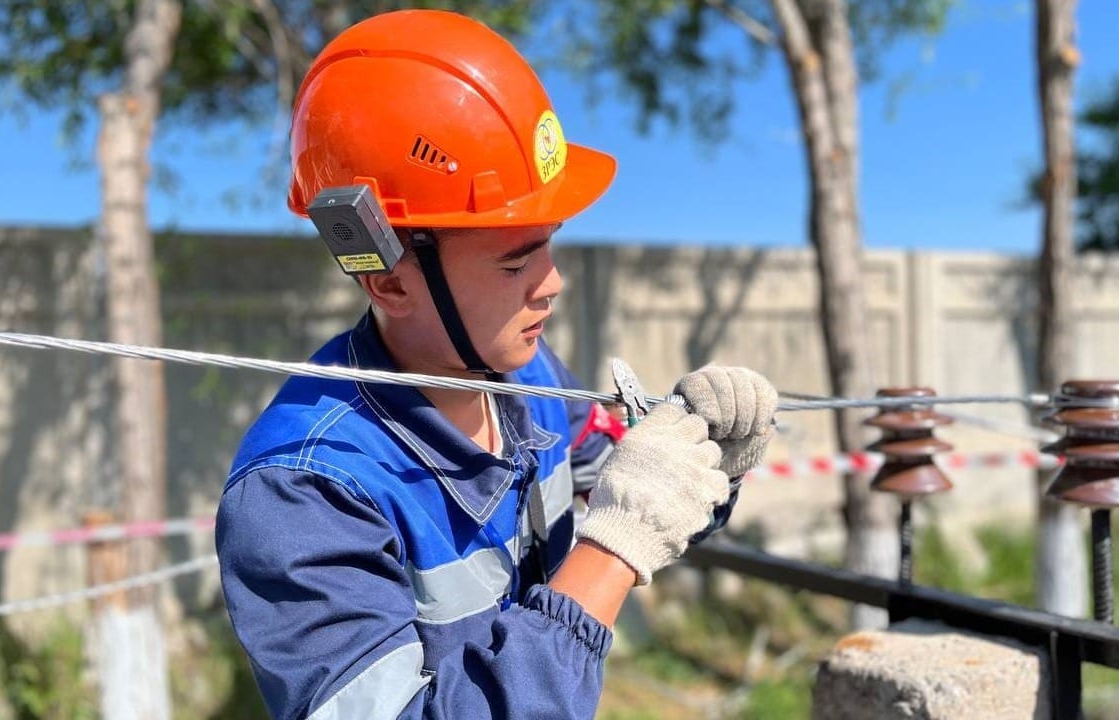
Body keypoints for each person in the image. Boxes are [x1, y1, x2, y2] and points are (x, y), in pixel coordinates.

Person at [216, 9, 778, 720]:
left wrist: (706, 462)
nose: (553, 282)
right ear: (388, 278)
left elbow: (637, 498)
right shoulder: (301, 495)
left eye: (549, 244)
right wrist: (609, 552)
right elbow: (616, 537)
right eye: (516, 259)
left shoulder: (532, 379)